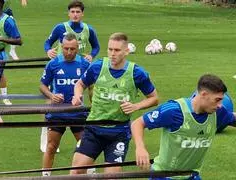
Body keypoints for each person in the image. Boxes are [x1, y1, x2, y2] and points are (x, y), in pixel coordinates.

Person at [70, 32, 159, 174]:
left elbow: (154, 98)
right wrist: (77, 95)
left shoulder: (137, 73)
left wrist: (135, 106)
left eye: (117, 50)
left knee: (112, 176)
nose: (112, 54)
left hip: (118, 133)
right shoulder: (97, 67)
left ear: (126, 51)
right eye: (110, 49)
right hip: (93, 129)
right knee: (75, 173)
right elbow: (80, 84)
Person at [131, 74, 236, 179]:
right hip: (163, 176)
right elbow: (138, 123)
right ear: (204, 94)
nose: (220, 105)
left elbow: (232, 118)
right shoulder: (174, 110)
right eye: (217, 99)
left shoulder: (218, 113)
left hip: (192, 175)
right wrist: (140, 148)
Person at [41, 0, 100, 153]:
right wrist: (48, 51)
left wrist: (91, 56)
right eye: (72, 12)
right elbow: (47, 43)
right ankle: (46, 134)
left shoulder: (88, 29)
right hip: (61, 67)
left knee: (88, 94)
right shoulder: (60, 28)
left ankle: (91, 121)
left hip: (80, 68)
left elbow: (96, 46)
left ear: (82, 13)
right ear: (68, 13)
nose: (75, 14)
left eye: (78, 12)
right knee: (53, 97)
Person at [40, 33, 89, 177]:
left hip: (79, 113)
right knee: (51, 147)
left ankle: (89, 175)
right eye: (66, 48)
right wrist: (51, 95)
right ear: (61, 47)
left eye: (72, 49)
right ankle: (45, 176)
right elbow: (43, 85)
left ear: (77, 47)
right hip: (57, 113)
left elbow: (92, 86)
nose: (69, 52)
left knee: (86, 148)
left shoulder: (85, 64)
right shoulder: (53, 64)